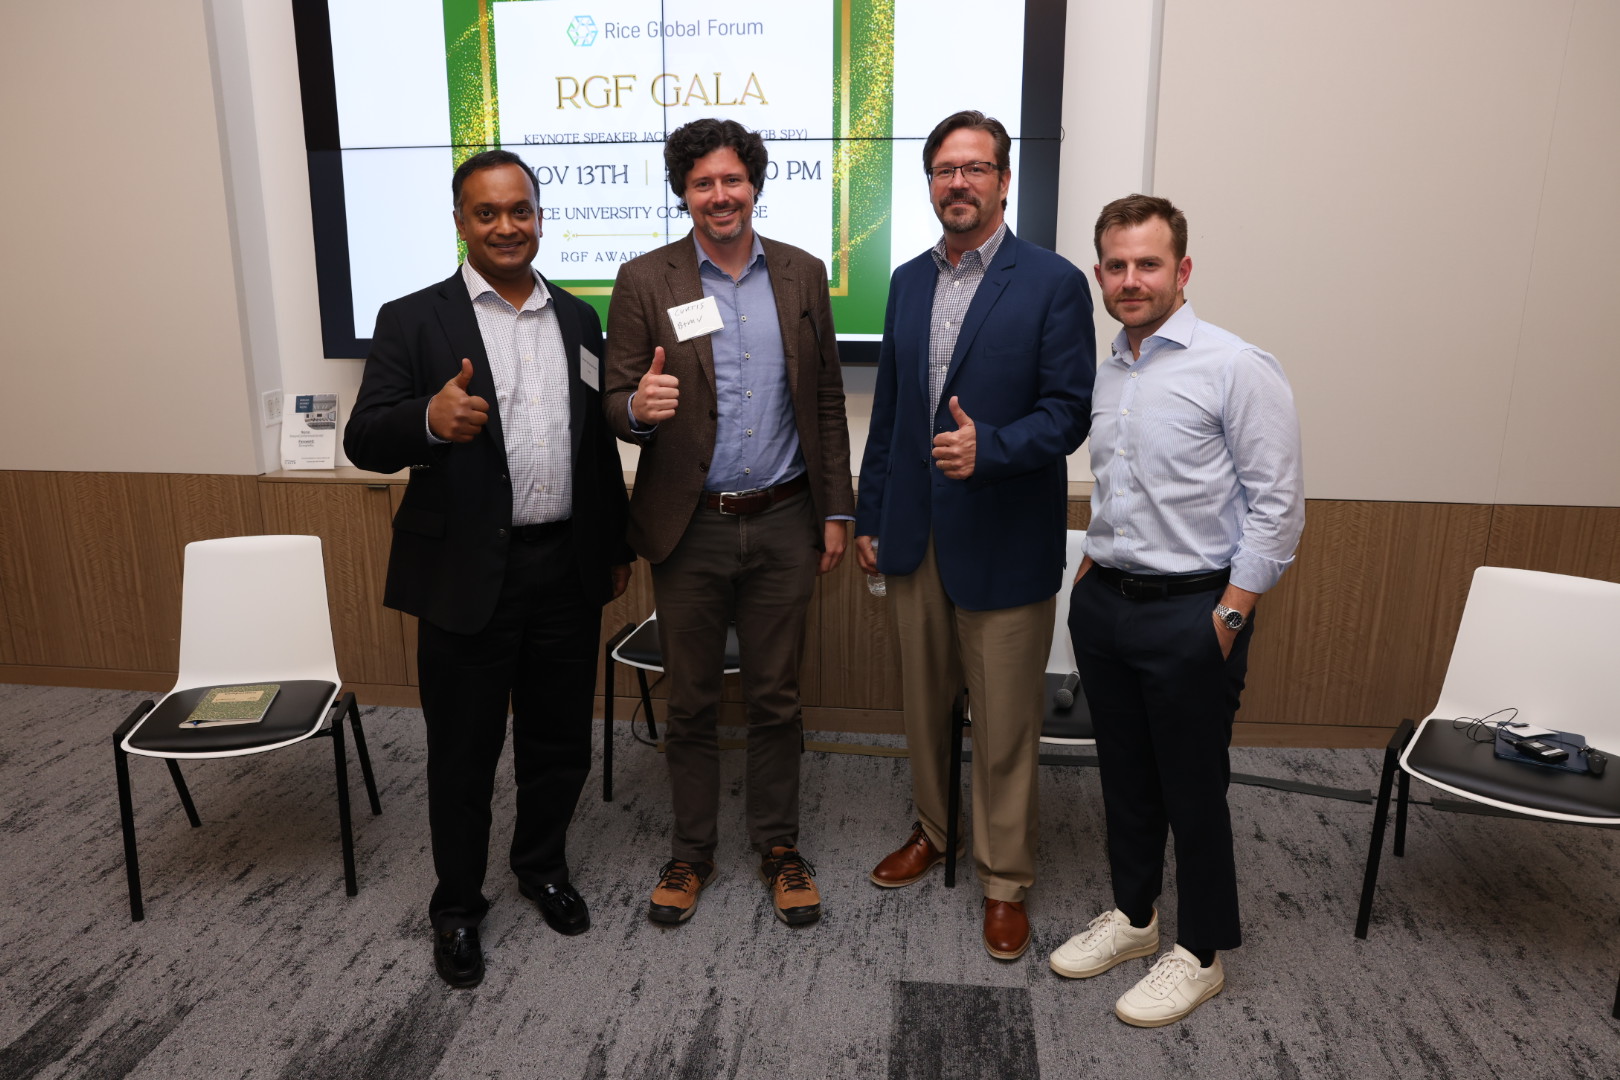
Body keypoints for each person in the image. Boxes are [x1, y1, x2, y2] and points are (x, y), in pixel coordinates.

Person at [344, 149, 633, 989]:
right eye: (487, 212)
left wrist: (613, 547)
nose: (507, 226)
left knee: (560, 744)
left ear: (539, 216)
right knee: (464, 754)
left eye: (520, 210)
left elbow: (594, 446)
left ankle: (541, 867)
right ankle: (458, 908)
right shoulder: (413, 319)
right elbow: (365, 439)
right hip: (468, 576)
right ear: (461, 222)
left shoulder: (578, 317)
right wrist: (427, 420)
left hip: (565, 570)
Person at [1049, 194, 1303, 1026]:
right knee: (1124, 776)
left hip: (1195, 613)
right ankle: (1134, 918)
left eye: (1148, 264)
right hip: (1108, 607)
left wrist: (1230, 615)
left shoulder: (1237, 366)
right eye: (1116, 266)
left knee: (1192, 788)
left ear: (1182, 270)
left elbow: (1278, 508)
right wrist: (1091, 571)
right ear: (1100, 274)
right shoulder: (1108, 370)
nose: (1131, 280)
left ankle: (1199, 953)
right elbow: (1122, 487)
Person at [854, 110, 1094, 961]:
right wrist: (872, 514)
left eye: (976, 168)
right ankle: (934, 830)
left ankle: (1004, 879)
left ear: (1004, 180)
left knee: (1003, 726)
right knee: (924, 710)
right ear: (930, 183)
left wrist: (989, 448)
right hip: (914, 537)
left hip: (1004, 540)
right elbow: (890, 413)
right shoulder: (907, 281)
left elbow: (1068, 414)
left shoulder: (1054, 282)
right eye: (944, 169)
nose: (959, 182)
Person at [603, 118, 853, 928]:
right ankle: (692, 852)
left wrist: (837, 509)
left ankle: (779, 847)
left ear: (755, 184)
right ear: (684, 192)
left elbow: (825, 399)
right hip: (691, 527)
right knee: (692, 702)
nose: (720, 195)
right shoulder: (645, 280)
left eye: (733, 179)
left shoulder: (803, 273)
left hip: (784, 519)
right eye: (703, 182)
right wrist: (636, 410)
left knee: (777, 697)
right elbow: (612, 398)